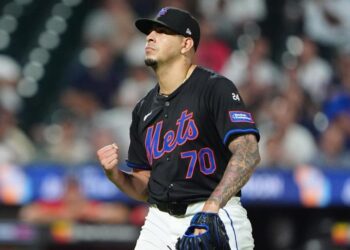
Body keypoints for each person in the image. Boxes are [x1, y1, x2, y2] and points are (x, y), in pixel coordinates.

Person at [97, 7, 260, 249]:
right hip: (159, 220)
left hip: (215, 209)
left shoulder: (215, 88)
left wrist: (212, 207)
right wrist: (115, 175)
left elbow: (249, 152)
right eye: (150, 32)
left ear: (186, 45)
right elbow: (145, 186)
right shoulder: (142, 109)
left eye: (162, 32)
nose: (150, 37)